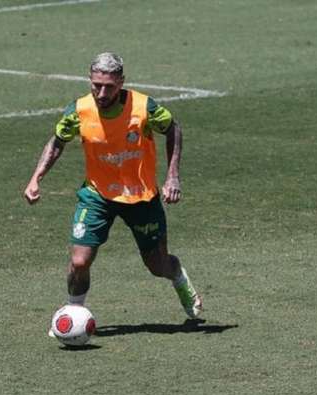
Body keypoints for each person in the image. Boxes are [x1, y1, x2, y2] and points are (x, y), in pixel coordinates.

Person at [24, 52, 203, 325]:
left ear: (121, 82)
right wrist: (36, 177)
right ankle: (73, 313)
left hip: (141, 196)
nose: (101, 92)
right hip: (97, 195)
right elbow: (58, 141)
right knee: (80, 261)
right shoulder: (79, 111)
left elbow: (173, 129)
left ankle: (178, 276)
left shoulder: (145, 108)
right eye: (96, 85)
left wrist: (172, 175)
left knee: (158, 265)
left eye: (109, 86)